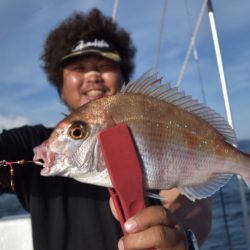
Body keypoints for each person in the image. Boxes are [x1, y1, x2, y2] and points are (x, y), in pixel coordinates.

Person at [0, 8, 211, 250]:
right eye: (78, 68)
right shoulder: (31, 141)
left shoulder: (150, 129)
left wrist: (181, 236)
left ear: (124, 78)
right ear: (60, 87)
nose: (92, 75)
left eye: (105, 65)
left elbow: (188, 199)